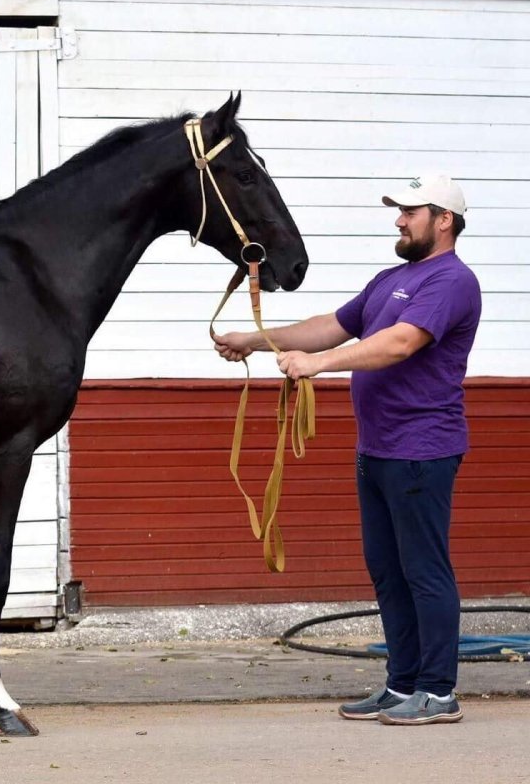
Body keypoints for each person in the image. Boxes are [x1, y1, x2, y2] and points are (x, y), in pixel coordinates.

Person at [213, 174, 481, 725]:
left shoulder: (452, 281)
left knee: (424, 571)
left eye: (410, 211)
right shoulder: (392, 279)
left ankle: (438, 690)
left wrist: (318, 367)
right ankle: (403, 683)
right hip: (379, 449)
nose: (400, 220)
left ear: (443, 219)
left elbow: (402, 342)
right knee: (387, 570)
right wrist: (254, 339)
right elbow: (330, 326)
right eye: (400, 211)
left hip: (421, 450)